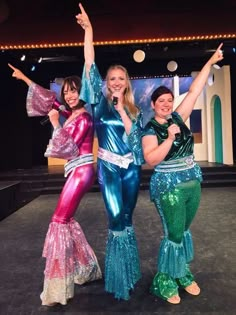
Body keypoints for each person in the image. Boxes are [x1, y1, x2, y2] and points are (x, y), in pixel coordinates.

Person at [8, 63, 102, 306]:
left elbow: (66, 147)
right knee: (66, 221)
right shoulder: (72, 113)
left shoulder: (85, 120)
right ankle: (86, 268)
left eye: (74, 91)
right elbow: (50, 101)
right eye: (67, 92)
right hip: (76, 171)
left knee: (59, 221)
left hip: (81, 172)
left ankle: (57, 289)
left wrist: (55, 123)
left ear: (82, 93)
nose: (69, 96)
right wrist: (25, 79)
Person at [141, 44, 224, 304]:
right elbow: (151, 159)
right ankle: (165, 279)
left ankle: (181, 272)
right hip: (169, 186)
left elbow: (196, 89)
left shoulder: (179, 117)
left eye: (169, 101)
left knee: (183, 231)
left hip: (192, 183)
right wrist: (170, 138)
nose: (166, 104)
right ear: (153, 105)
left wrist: (209, 62)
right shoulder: (150, 128)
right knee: (174, 233)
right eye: (161, 101)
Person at [75, 3, 144, 300]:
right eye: (112, 78)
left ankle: (128, 271)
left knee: (128, 218)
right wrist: (90, 31)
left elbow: (136, 140)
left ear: (126, 83)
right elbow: (90, 64)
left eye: (121, 79)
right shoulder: (98, 103)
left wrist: (124, 110)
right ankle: (117, 278)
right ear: (106, 83)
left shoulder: (133, 109)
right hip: (108, 167)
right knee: (115, 218)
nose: (116, 82)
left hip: (131, 168)